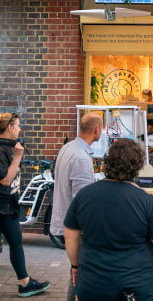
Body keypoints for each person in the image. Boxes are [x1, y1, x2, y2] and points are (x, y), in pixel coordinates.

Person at [64, 138, 153, 301]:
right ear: (137, 166)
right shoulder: (147, 202)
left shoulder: (84, 196)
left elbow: (70, 235)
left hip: (93, 282)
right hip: (137, 285)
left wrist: (75, 265)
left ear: (108, 162)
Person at [50, 112, 103, 301]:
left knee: (76, 272)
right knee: (79, 275)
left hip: (65, 221)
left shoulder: (68, 148)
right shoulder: (80, 157)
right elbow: (83, 200)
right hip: (76, 228)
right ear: (97, 129)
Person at [0, 112, 50, 297]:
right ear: (10, 128)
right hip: (2, 206)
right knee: (15, 242)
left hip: (8, 206)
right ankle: (25, 283)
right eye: (18, 126)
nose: (20, 129)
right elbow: (5, 180)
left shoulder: (8, 148)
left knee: (15, 242)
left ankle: (25, 283)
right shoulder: (2, 151)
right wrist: (18, 156)